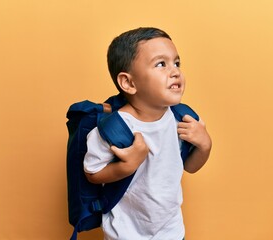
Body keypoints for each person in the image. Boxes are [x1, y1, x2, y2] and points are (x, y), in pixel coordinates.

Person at [83, 27, 212, 240]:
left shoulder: (182, 118)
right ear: (129, 83)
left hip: (171, 231)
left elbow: (189, 166)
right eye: (161, 64)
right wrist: (127, 166)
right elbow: (92, 173)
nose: (175, 71)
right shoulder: (114, 128)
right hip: (124, 233)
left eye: (176, 63)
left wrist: (205, 145)